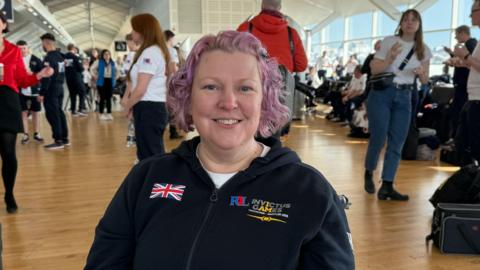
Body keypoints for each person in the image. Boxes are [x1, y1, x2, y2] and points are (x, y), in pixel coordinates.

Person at [85, 30, 354, 270]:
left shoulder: (310, 193)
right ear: (188, 98)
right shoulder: (145, 179)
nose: (228, 102)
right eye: (211, 86)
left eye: (245, 88)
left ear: (266, 100)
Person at [364, 9, 431, 200]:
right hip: (383, 93)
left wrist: (421, 73)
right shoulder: (388, 41)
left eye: (414, 20)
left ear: (419, 25)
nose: (410, 23)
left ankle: (387, 185)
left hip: (405, 95)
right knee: (378, 137)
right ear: (401, 23)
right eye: (406, 20)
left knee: (397, 142)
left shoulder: (424, 49)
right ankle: (369, 171)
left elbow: (425, 81)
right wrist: (389, 59)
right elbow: (374, 69)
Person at [0, 14, 53, 213]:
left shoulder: (14, 50)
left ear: (4, 25)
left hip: (8, 102)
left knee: (8, 152)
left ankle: (9, 194)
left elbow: (22, 80)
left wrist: (39, 75)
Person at [121, 13, 173, 161]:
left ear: (143, 30)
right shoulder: (152, 51)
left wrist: (128, 107)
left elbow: (140, 89)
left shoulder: (150, 53)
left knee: (151, 155)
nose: (132, 33)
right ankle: (152, 181)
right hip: (149, 107)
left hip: (150, 108)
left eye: (134, 29)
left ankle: (157, 182)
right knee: (149, 153)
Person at [237, 0, 307, 73]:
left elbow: (234, 57)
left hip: (253, 80)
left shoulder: (245, 28)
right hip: (282, 82)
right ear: (280, 7)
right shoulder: (292, 33)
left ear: (262, 6)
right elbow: (301, 65)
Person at [453, 0, 480, 164]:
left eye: (473, 11)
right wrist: (464, 63)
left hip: (478, 99)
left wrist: (465, 56)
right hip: (474, 98)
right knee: (467, 143)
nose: (470, 15)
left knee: (475, 146)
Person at [444, 25, 477, 141]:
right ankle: (456, 139)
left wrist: (455, 61)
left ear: (463, 33)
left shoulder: (471, 44)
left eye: (457, 35)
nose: (456, 37)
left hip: (464, 86)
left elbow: (471, 62)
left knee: (459, 113)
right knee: (457, 112)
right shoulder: (471, 45)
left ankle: (457, 140)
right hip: (463, 85)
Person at [38, 33, 70, 150]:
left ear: (46, 43)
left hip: (51, 89)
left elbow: (47, 77)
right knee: (59, 112)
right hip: (60, 87)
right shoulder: (60, 56)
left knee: (52, 114)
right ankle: (64, 138)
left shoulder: (48, 58)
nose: (42, 46)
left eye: (42, 44)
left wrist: (41, 93)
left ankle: (58, 140)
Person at [16, 40, 45, 144]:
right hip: (20, 90)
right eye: (19, 49)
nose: (22, 50)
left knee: (35, 112)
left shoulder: (35, 59)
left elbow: (42, 72)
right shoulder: (15, 60)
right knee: (23, 112)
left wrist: (33, 73)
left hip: (34, 90)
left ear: (28, 48)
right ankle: (25, 135)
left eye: (24, 48)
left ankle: (37, 133)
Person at [164, 29, 183, 139]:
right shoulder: (171, 51)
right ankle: (173, 131)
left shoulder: (159, 50)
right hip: (170, 83)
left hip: (160, 83)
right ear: (170, 38)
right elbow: (174, 68)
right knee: (172, 107)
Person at [90, 49, 119, 120]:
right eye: (105, 54)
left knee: (109, 98)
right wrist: (95, 75)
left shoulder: (113, 63)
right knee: (102, 98)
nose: (107, 55)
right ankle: (101, 114)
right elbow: (91, 68)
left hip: (110, 81)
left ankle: (109, 113)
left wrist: (116, 77)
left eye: (108, 54)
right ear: (103, 55)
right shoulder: (99, 62)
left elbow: (118, 70)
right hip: (101, 81)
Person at [65, 43, 87, 116]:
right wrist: (83, 67)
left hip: (68, 78)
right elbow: (80, 68)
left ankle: (73, 111)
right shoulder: (75, 57)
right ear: (73, 49)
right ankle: (80, 109)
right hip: (76, 78)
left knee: (72, 94)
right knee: (83, 91)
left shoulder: (65, 57)